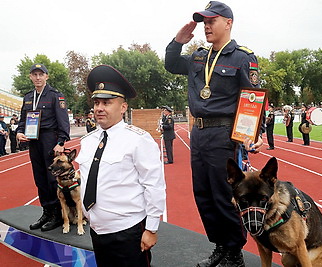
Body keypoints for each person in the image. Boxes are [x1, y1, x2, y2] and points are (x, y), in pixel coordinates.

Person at [165, 2, 263, 266]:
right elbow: (171, 64)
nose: (206, 26)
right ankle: (220, 245)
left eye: (212, 21)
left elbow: (252, 97)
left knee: (225, 195)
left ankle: (234, 252)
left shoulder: (242, 57)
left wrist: (255, 133)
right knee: (204, 194)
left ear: (228, 23)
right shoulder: (199, 56)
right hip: (199, 133)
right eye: (204, 22)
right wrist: (177, 41)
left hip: (224, 134)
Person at [75, 65, 166, 267]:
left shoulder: (138, 140)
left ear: (123, 107)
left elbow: (154, 185)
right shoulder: (87, 141)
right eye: (97, 102)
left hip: (128, 231)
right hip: (97, 230)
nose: (99, 108)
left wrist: (151, 229)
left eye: (106, 103)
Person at [16, 63, 70, 231]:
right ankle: (46, 211)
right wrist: (18, 132)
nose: (38, 77)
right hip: (34, 140)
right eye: (35, 74)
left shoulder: (55, 96)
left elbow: (63, 121)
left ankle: (57, 214)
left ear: (47, 76)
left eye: (41, 74)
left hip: (49, 138)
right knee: (39, 178)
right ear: (30, 77)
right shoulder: (27, 97)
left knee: (52, 178)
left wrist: (61, 142)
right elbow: (22, 120)